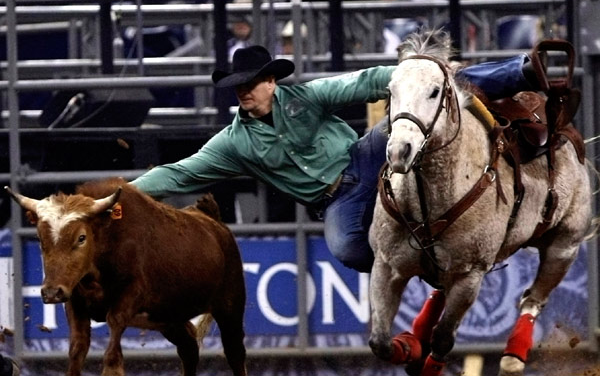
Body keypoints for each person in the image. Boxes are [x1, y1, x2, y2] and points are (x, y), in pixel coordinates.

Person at [130, 43, 539, 273]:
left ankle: (519, 72)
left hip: (363, 156)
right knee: (350, 251)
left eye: (251, 83)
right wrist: (124, 194)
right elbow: (180, 174)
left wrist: (413, 73)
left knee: (422, 96)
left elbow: (364, 83)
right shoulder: (235, 142)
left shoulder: (307, 96)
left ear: (271, 82)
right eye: (239, 86)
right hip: (334, 200)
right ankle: (426, 259)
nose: (244, 91)